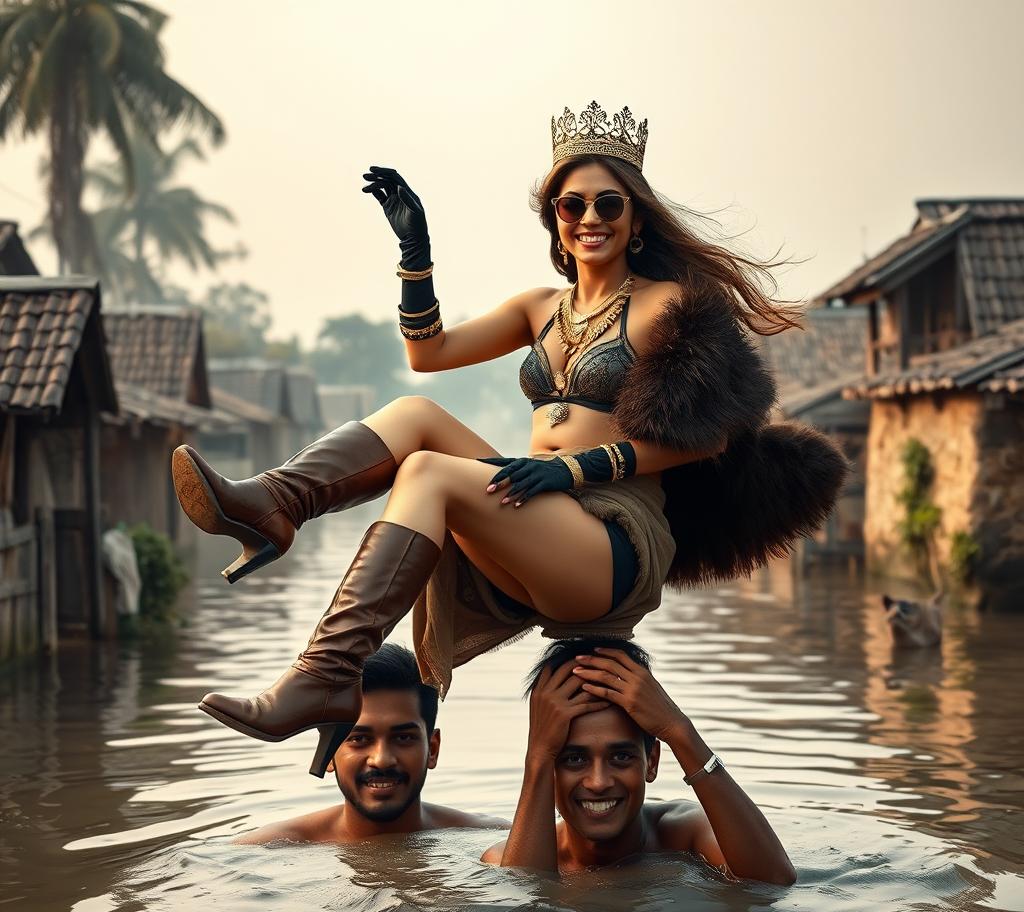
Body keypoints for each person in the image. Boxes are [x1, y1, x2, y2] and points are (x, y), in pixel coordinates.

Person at [171, 99, 847, 777]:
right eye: (570, 205)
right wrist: (415, 253)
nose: (588, 220)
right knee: (414, 415)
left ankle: (324, 675)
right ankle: (272, 507)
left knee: (429, 472)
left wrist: (576, 470)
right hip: (541, 521)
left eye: (607, 205)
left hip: (613, 539)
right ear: (554, 216)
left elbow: (713, 437)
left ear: (636, 216)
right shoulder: (540, 308)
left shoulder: (664, 304)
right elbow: (428, 354)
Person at [481, 638, 796, 885]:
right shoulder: (504, 858)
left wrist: (680, 731)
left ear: (651, 762)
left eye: (621, 757)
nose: (599, 781)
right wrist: (537, 757)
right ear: (550, 769)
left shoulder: (684, 836)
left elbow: (772, 881)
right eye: (574, 759)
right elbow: (521, 910)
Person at [236, 644, 506, 844]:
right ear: (328, 752)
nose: (381, 759)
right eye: (359, 739)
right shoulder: (268, 849)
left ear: (432, 749)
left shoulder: (489, 839)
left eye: (403, 738)